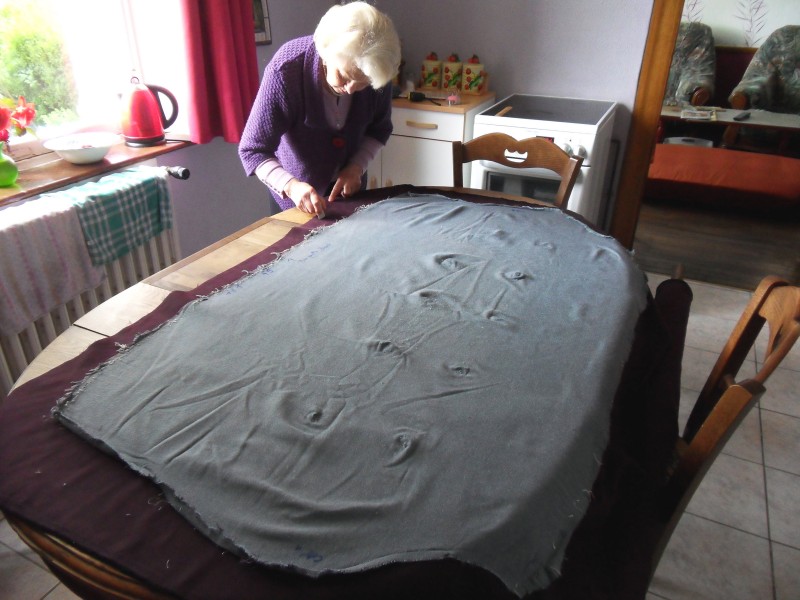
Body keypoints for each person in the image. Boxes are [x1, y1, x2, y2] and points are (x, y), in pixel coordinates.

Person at [238, 2, 401, 217]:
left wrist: (356, 166)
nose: (351, 89)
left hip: (351, 195)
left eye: (363, 83)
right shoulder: (286, 71)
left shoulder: (375, 72)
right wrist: (291, 186)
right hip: (294, 200)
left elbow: (379, 130)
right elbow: (253, 150)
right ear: (326, 53)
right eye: (344, 76)